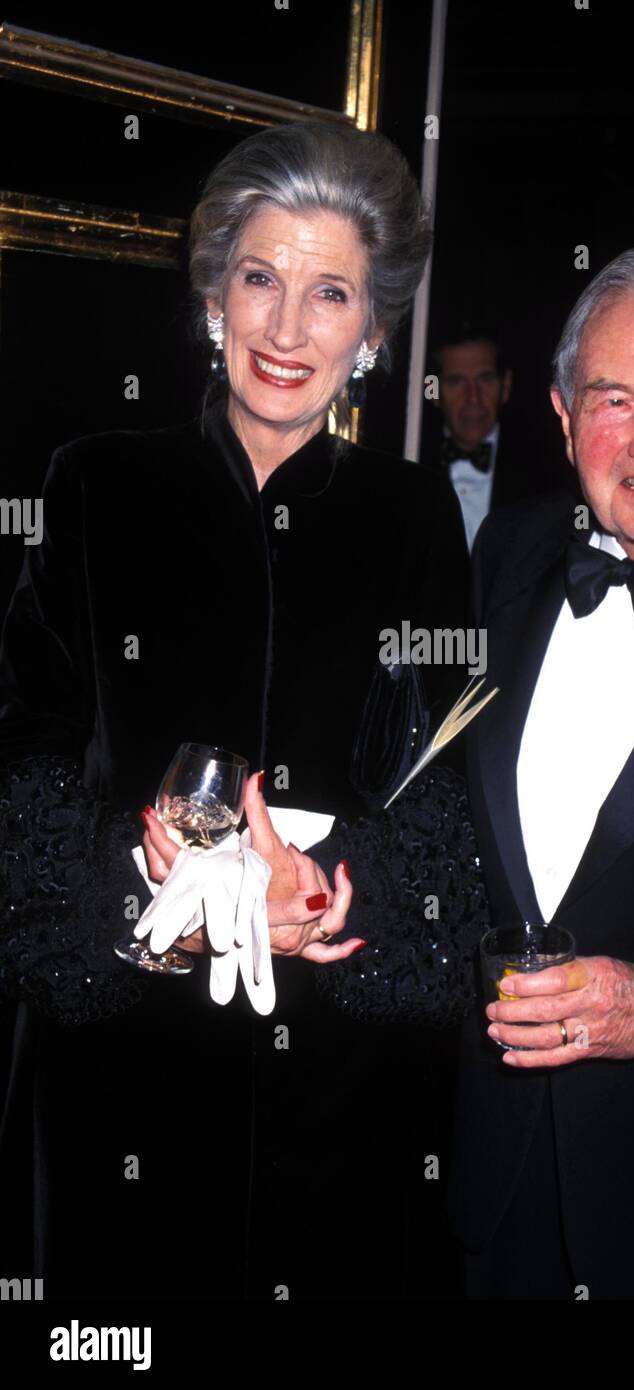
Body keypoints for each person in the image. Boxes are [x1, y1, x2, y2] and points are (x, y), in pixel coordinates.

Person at [220, 246, 634, 1299]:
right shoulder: (510, 557)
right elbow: (443, 823)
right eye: (613, 399)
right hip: (494, 1200)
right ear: (562, 415)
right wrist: (323, 882)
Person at [0, 119, 469, 1300]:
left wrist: (319, 892)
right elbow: (26, 761)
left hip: (342, 1102)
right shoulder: (95, 482)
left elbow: (444, 800)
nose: (285, 328)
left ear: (371, 332)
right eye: (260, 278)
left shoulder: (415, 519)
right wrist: (153, 900)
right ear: (213, 294)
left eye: (330, 295)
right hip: (122, 1084)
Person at [422, 322, 571, 548]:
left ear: (506, 385)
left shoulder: (546, 471)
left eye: (485, 379)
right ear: (433, 390)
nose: (473, 398)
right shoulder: (410, 460)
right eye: (456, 381)